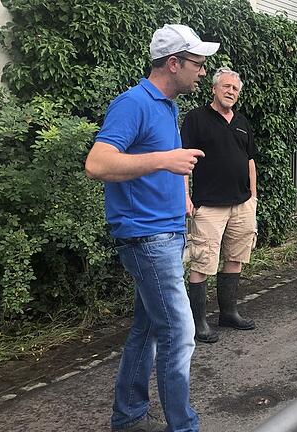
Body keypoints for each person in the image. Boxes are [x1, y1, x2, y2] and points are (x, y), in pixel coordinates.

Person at [85, 24, 218, 432]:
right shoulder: (133, 103)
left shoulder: (167, 105)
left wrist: (182, 197)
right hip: (146, 237)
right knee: (180, 332)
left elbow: (169, 158)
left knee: (147, 330)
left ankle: (127, 418)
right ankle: (184, 427)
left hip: (166, 231)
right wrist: (163, 161)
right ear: (172, 63)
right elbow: (98, 164)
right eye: (197, 63)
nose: (202, 72)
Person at [181, 67, 257, 344]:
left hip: (242, 203)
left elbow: (250, 161)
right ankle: (198, 322)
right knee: (201, 261)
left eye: (235, 89)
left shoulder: (242, 122)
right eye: (226, 86)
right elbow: (184, 161)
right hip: (209, 205)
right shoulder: (196, 119)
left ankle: (228, 313)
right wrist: (185, 196)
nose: (230, 92)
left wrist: (254, 197)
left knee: (235, 258)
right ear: (213, 88)